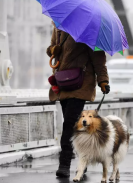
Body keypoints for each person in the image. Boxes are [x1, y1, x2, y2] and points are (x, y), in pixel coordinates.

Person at [46, 23, 110, 178]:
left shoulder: (90, 30)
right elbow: (52, 49)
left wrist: (103, 81)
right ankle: (83, 161)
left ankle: (64, 163)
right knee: (75, 126)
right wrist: (53, 50)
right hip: (62, 83)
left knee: (69, 123)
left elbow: (98, 59)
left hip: (80, 84)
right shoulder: (59, 27)